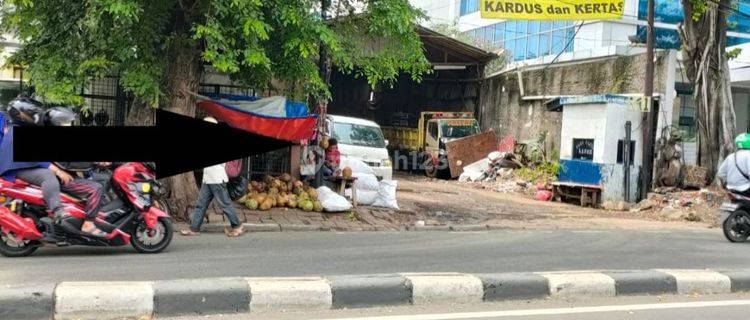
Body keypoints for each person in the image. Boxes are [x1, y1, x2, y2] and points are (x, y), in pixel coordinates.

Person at [0, 99, 106, 237]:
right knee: (48, 176)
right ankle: (59, 212)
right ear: (22, 115)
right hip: (17, 170)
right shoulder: (16, 130)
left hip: (26, 167)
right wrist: (57, 170)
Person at [181, 117, 244, 237]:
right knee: (201, 204)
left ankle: (238, 226)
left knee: (224, 204)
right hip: (208, 178)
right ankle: (194, 229)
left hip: (216, 178)